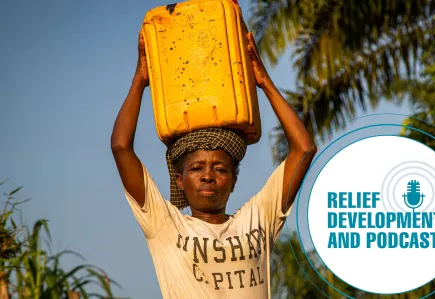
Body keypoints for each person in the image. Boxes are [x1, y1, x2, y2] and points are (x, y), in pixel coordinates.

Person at [110, 29, 316, 299]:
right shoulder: (165, 225)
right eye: (196, 168)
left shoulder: (259, 218)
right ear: (179, 181)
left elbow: (304, 148)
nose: (208, 176)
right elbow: (120, 147)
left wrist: (264, 82)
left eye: (220, 169)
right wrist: (140, 80)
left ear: (233, 180)